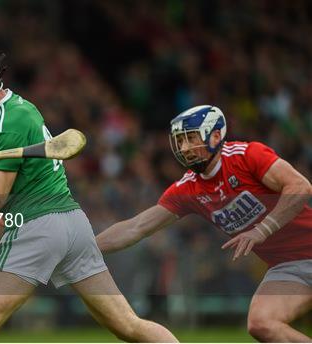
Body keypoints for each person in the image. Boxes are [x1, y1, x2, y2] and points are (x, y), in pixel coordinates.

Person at [0, 48, 177, 343]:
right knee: (129, 325)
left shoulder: (4, 126)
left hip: (36, 226)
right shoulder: (8, 108)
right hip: (74, 226)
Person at [96, 105, 312, 342]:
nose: (185, 148)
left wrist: (262, 229)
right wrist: (85, 248)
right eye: (180, 141)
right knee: (262, 324)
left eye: (191, 138)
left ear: (216, 135)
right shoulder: (188, 189)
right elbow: (135, 227)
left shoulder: (247, 155)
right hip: (289, 268)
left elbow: (300, 187)